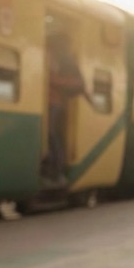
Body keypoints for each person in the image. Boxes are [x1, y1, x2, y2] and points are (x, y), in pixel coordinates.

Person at [44, 34, 87, 187]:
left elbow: (78, 83)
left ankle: (57, 173)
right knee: (49, 136)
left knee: (52, 136)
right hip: (47, 103)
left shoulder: (65, 60)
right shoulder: (51, 56)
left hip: (54, 104)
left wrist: (53, 80)